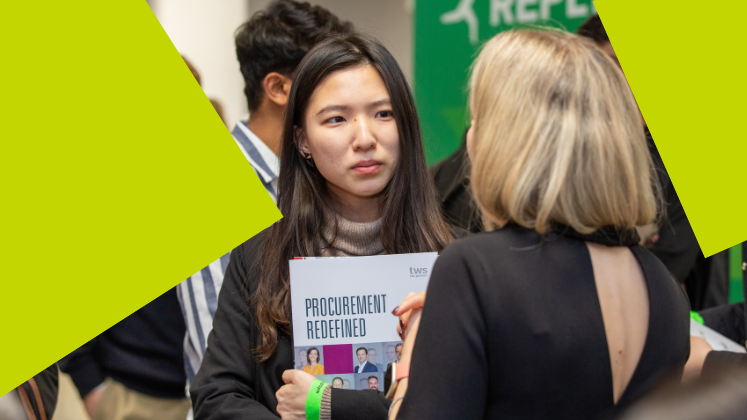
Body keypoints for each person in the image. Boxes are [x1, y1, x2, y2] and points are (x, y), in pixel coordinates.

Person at [387, 29, 690, 420]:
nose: (471, 135)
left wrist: (413, 359)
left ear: (509, 141)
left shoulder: (473, 268)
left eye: (478, 118)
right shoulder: (663, 288)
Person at [190, 33, 456, 420]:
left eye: (383, 114)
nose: (365, 138)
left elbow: (472, 399)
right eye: (336, 119)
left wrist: (327, 405)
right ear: (302, 141)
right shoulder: (261, 254)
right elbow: (216, 395)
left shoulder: (455, 260)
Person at [176, 0, 353, 394]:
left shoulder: (319, 177)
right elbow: (221, 353)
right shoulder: (213, 190)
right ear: (278, 87)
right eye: (325, 79)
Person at [577, 14, 728, 310]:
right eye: (601, 69)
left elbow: (662, 272)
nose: (618, 83)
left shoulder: (704, 150)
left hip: (687, 332)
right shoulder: (571, 154)